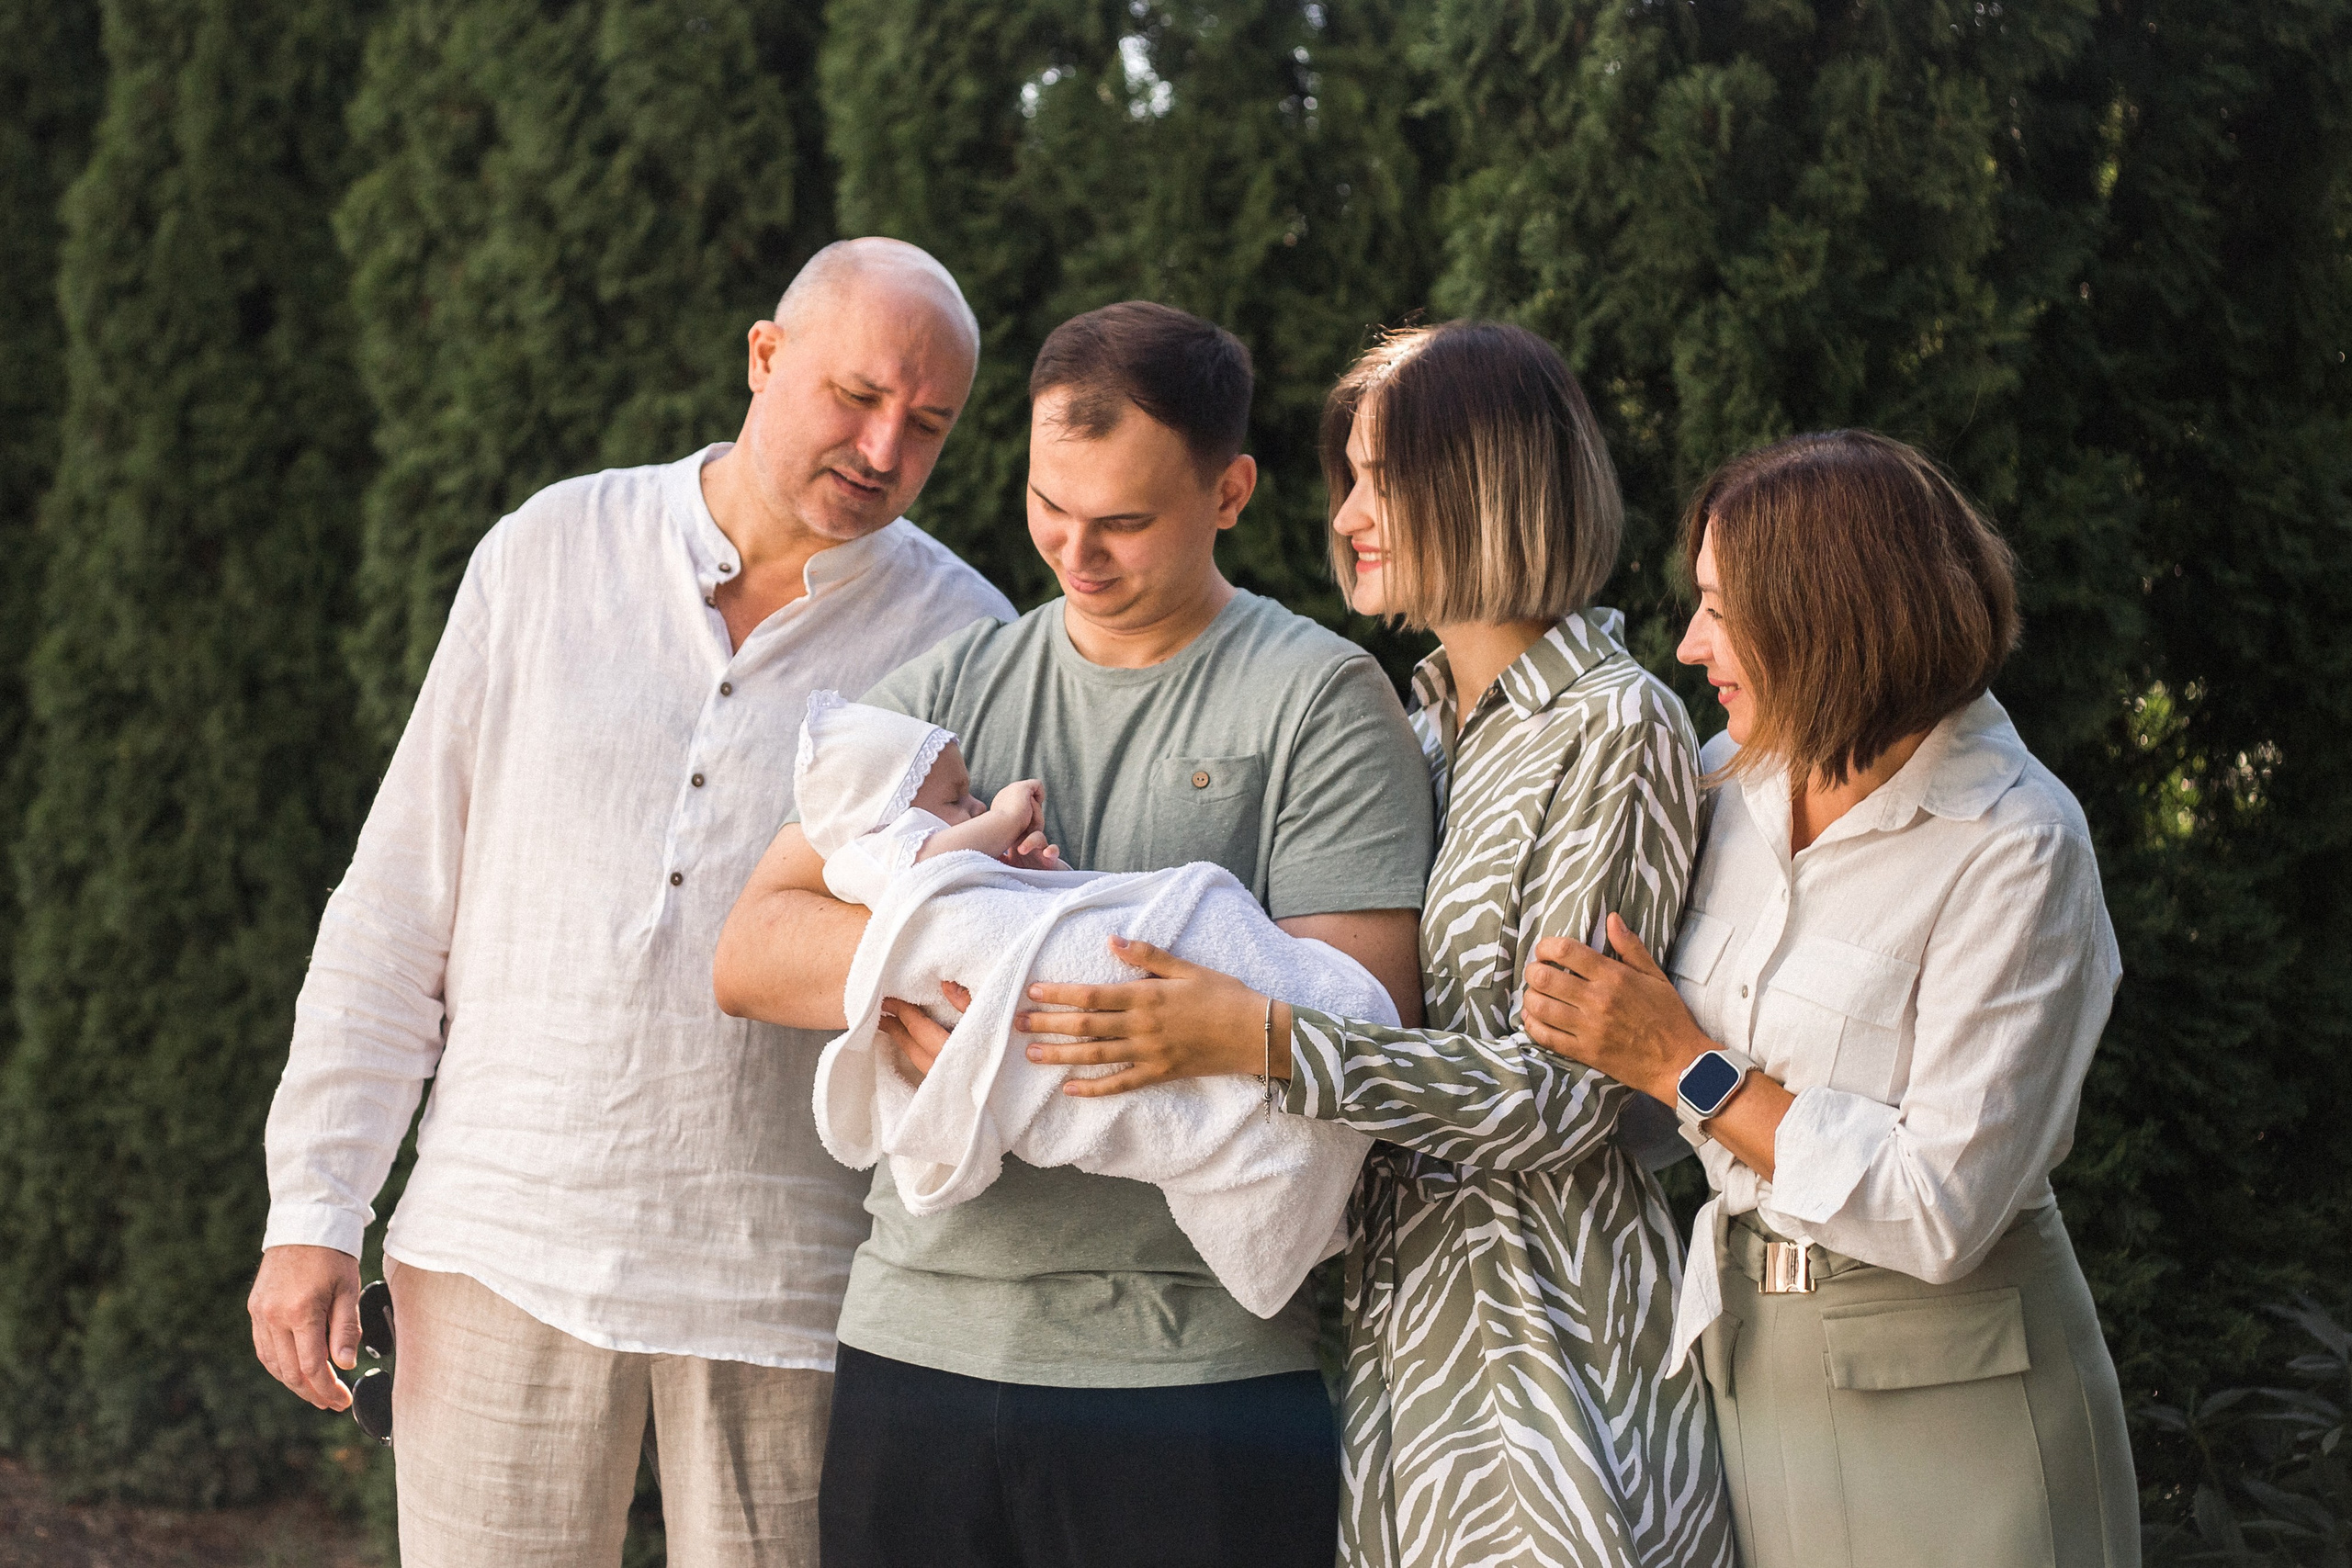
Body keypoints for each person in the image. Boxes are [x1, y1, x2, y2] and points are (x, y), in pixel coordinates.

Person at [248, 238, 1014, 1567]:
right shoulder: (550, 549)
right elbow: (395, 902)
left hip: (796, 1284)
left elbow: (965, 971)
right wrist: (315, 1203)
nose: (885, 446)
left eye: (928, 423)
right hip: (496, 1237)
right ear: (765, 357)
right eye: (857, 395)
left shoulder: (973, 641)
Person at [999, 321, 1736, 1568]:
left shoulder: (1616, 725)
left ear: (1492, 476)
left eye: (1383, 477)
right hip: (1402, 1328)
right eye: (1348, 477)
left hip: (1550, 1332)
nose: (1350, 512)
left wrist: (1262, 1038)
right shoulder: (1425, 728)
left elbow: (1560, 1095)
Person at [711, 300, 1434, 1568]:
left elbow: (1358, 1030)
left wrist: (1084, 1018)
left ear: (1231, 491)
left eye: (1124, 522)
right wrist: (939, 994)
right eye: (1053, 506)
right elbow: (754, 947)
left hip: (1191, 1369)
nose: (1076, 554)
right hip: (916, 1342)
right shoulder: (948, 689)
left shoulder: (1318, 698)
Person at [1518, 430, 2138, 1568]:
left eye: (1719, 608)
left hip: (1957, 1393)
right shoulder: (1723, 780)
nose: (1691, 641)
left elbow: (1941, 1208)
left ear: (1830, 615)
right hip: (1752, 1364)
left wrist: (1684, 1065)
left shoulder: (2016, 842)